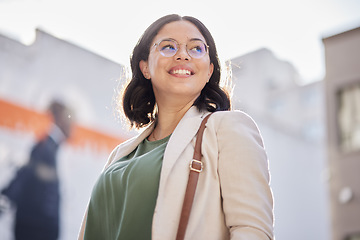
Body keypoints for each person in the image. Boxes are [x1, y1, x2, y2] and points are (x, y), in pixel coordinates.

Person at [78, 14, 274, 240]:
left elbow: (252, 231)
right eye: (168, 46)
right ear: (145, 68)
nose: (182, 54)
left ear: (209, 70)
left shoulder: (227, 129)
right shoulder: (120, 154)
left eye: (196, 48)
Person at [1, 100, 73, 240]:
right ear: (59, 119)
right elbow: (23, 178)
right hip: (35, 228)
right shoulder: (45, 148)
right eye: (69, 119)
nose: (72, 126)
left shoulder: (52, 148)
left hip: (38, 227)